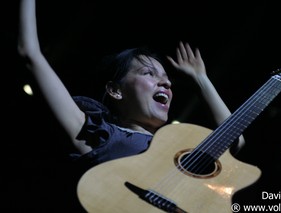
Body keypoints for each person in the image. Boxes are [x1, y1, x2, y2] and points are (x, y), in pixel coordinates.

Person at [18, 0, 245, 211]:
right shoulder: (100, 136)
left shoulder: (179, 152)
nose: (166, 82)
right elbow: (31, 54)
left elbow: (235, 140)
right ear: (115, 91)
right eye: (148, 73)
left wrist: (201, 79)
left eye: (166, 78)